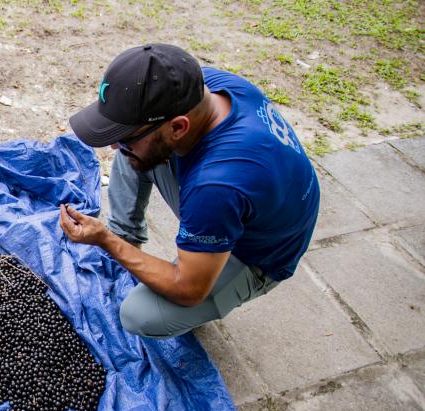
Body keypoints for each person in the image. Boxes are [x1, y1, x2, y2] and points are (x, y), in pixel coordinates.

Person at [60, 44, 319, 339]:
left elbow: (189, 290)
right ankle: (131, 238)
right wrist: (129, 144)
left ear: (179, 128)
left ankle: (197, 262)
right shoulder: (202, 88)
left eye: (123, 139)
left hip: (261, 253)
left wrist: (106, 240)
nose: (112, 147)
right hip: (256, 196)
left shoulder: (215, 186)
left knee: (140, 316)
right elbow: (137, 143)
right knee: (139, 152)